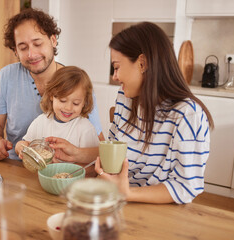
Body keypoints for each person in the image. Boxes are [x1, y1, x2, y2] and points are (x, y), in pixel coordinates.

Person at [47, 22, 214, 204]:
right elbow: (115, 152)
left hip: (159, 211)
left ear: (142, 63)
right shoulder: (126, 98)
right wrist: (77, 153)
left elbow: (186, 186)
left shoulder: (188, 115)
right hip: (116, 201)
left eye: (117, 67)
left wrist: (128, 193)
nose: (115, 76)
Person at [0, 8, 104, 161]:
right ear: (15, 51)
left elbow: (99, 146)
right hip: (17, 165)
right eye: (23, 47)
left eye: (37, 44)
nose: (31, 54)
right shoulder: (7, 75)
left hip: (63, 171)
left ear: (53, 40)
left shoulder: (77, 84)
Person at [14, 66, 99, 163]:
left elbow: (93, 165)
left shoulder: (85, 129)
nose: (68, 108)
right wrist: (21, 148)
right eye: (62, 101)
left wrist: (64, 171)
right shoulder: (41, 122)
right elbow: (23, 143)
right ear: (51, 96)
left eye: (76, 103)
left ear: (84, 102)